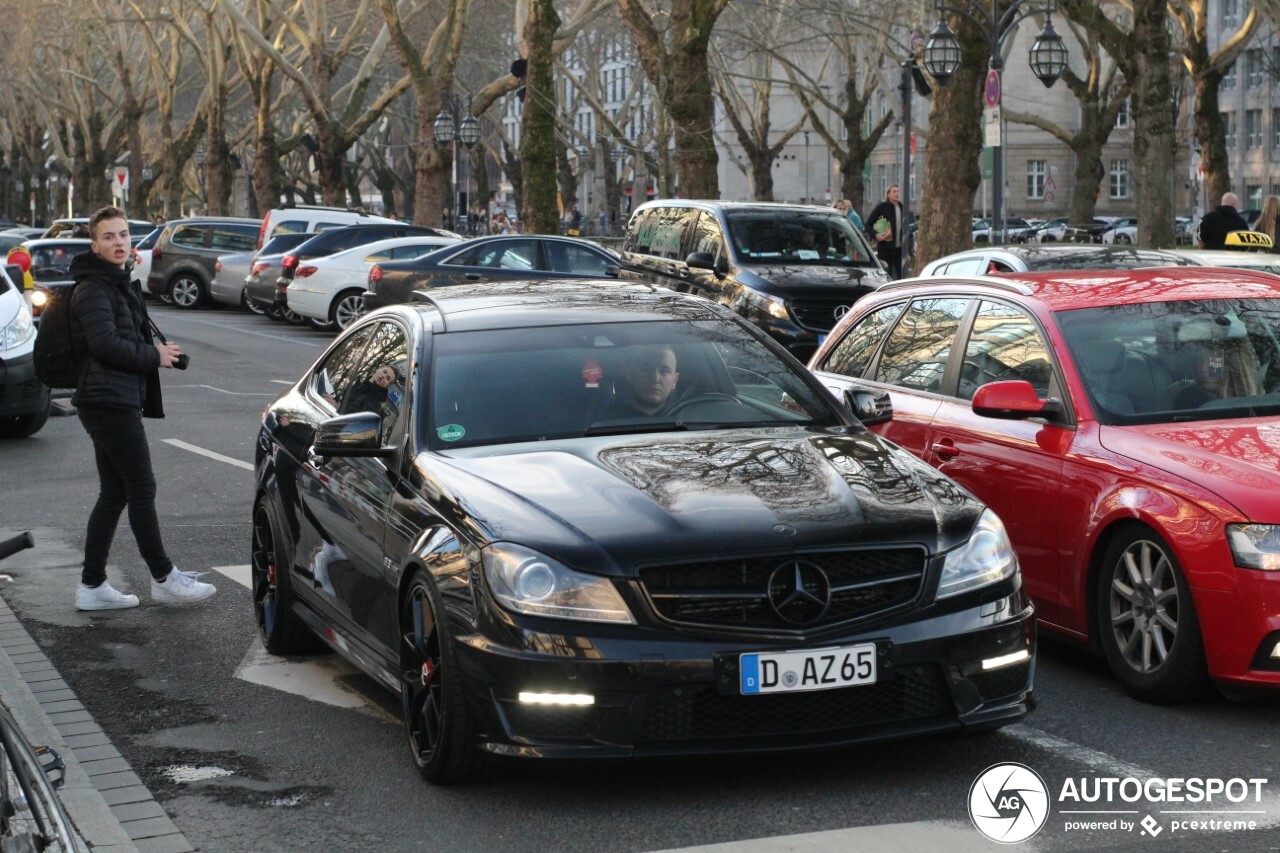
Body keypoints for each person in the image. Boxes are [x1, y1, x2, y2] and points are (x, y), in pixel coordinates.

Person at [70, 206, 216, 610]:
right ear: (95, 244)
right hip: (106, 400)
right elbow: (104, 345)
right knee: (140, 485)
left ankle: (92, 586)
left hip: (113, 397)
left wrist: (156, 352)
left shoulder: (115, 284)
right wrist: (154, 355)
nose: (118, 243)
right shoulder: (93, 289)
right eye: (109, 237)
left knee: (115, 492)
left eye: (123, 235)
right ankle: (163, 577)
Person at [603, 346, 680, 419]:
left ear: (675, 380)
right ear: (630, 375)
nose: (655, 378)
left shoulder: (686, 417)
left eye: (664, 371)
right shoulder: (608, 420)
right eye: (646, 369)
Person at [865, 184, 905, 279]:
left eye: (898, 191)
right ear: (888, 194)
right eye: (894, 191)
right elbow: (868, 225)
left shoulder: (902, 207)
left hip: (900, 249)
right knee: (886, 275)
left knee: (901, 276)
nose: (897, 194)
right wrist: (876, 235)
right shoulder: (882, 207)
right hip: (885, 248)